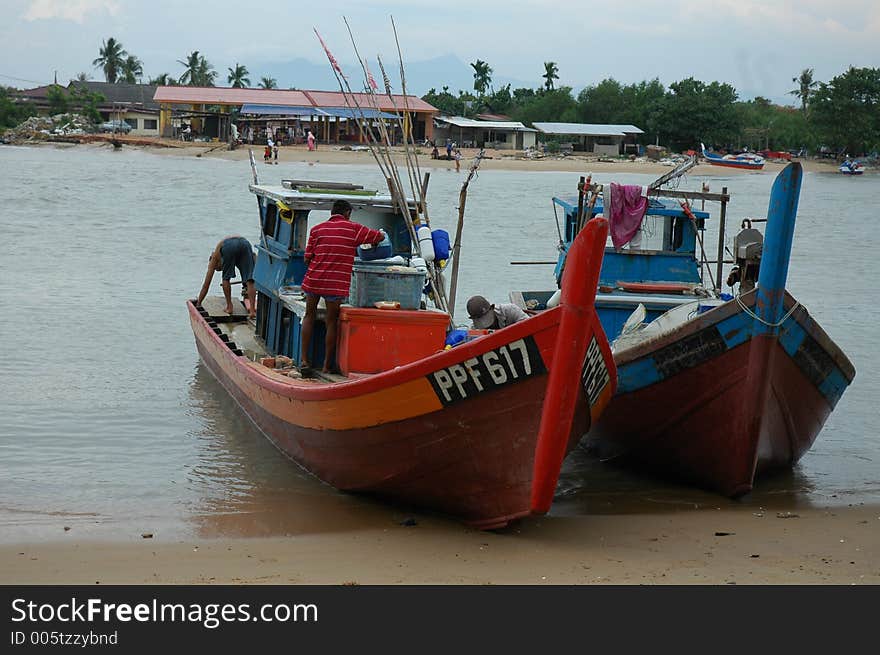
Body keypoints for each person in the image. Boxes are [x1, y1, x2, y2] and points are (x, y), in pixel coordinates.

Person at [300, 199, 386, 375]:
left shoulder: (317, 230)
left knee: (309, 315)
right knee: (331, 321)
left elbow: (307, 258)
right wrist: (380, 237)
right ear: (347, 213)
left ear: (332, 213)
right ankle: (326, 366)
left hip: (314, 279)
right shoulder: (354, 229)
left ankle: (303, 360)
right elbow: (378, 236)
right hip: (335, 284)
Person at [196, 236, 257, 319]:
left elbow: (206, 285)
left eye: (218, 268)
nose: (220, 269)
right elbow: (253, 258)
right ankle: (252, 311)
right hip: (245, 243)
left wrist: (199, 303)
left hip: (229, 246)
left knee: (226, 278)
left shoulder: (213, 259)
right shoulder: (228, 256)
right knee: (250, 280)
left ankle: (229, 307)